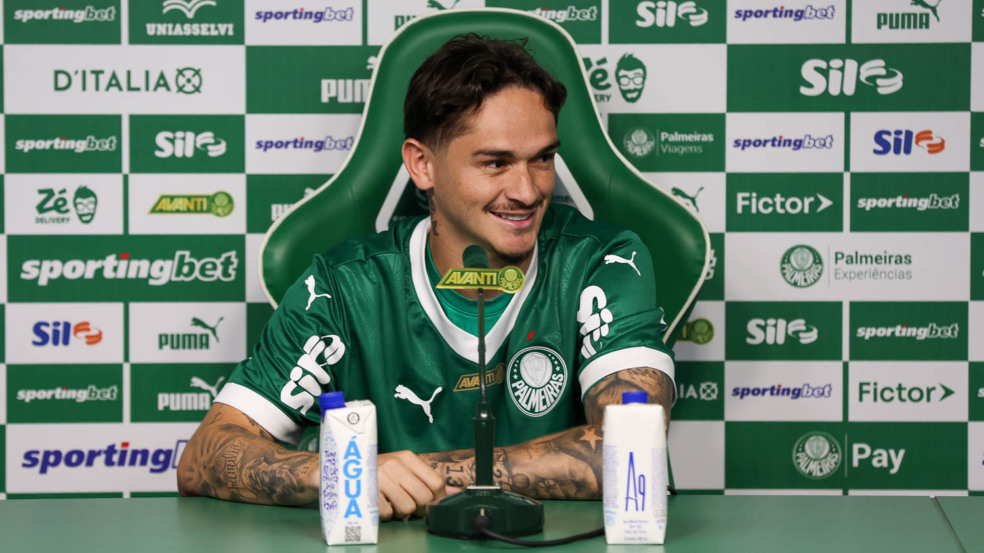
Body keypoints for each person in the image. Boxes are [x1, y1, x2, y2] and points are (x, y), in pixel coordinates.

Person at [177, 33, 675, 521]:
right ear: (422, 165)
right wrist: (337, 474)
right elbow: (204, 456)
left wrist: (405, 474)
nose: (527, 191)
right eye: (496, 163)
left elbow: (631, 449)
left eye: (542, 158)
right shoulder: (344, 286)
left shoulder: (603, 260)